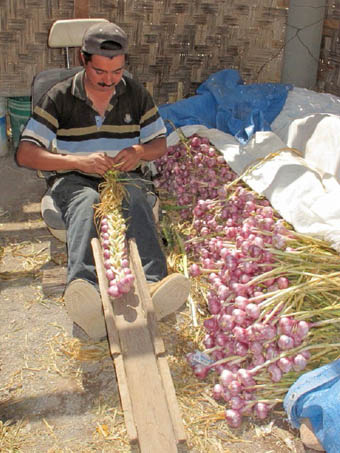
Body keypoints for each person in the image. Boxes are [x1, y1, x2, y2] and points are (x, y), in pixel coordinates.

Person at [16, 21, 190, 340]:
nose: (109, 80)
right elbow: (25, 154)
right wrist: (76, 161)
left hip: (125, 175)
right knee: (88, 205)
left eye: (117, 72)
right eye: (100, 72)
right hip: (74, 178)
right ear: (84, 61)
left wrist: (138, 151)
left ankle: (155, 286)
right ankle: (86, 294)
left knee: (136, 200)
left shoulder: (135, 93)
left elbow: (159, 143)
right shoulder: (59, 96)